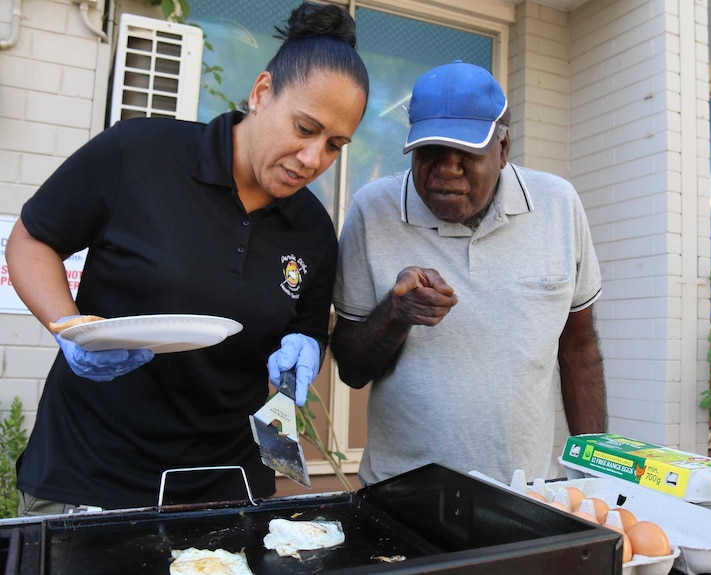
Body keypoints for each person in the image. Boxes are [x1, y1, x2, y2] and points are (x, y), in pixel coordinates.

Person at [6, 2, 369, 515]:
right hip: (90, 475)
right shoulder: (139, 154)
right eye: (305, 129)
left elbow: (307, 332)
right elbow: (31, 240)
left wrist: (300, 357)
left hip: (225, 487)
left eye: (335, 145)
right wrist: (67, 324)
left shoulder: (312, 230)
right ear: (262, 93)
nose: (315, 160)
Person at [330, 61, 606, 486]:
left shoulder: (558, 206)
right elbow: (350, 367)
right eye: (431, 153)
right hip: (402, 493)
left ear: (503, 147)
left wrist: (596, 476)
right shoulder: (373, 210)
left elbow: (579, 347)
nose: (446, 170)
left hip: (526, 493)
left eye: (468, 154)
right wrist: (397, 312)